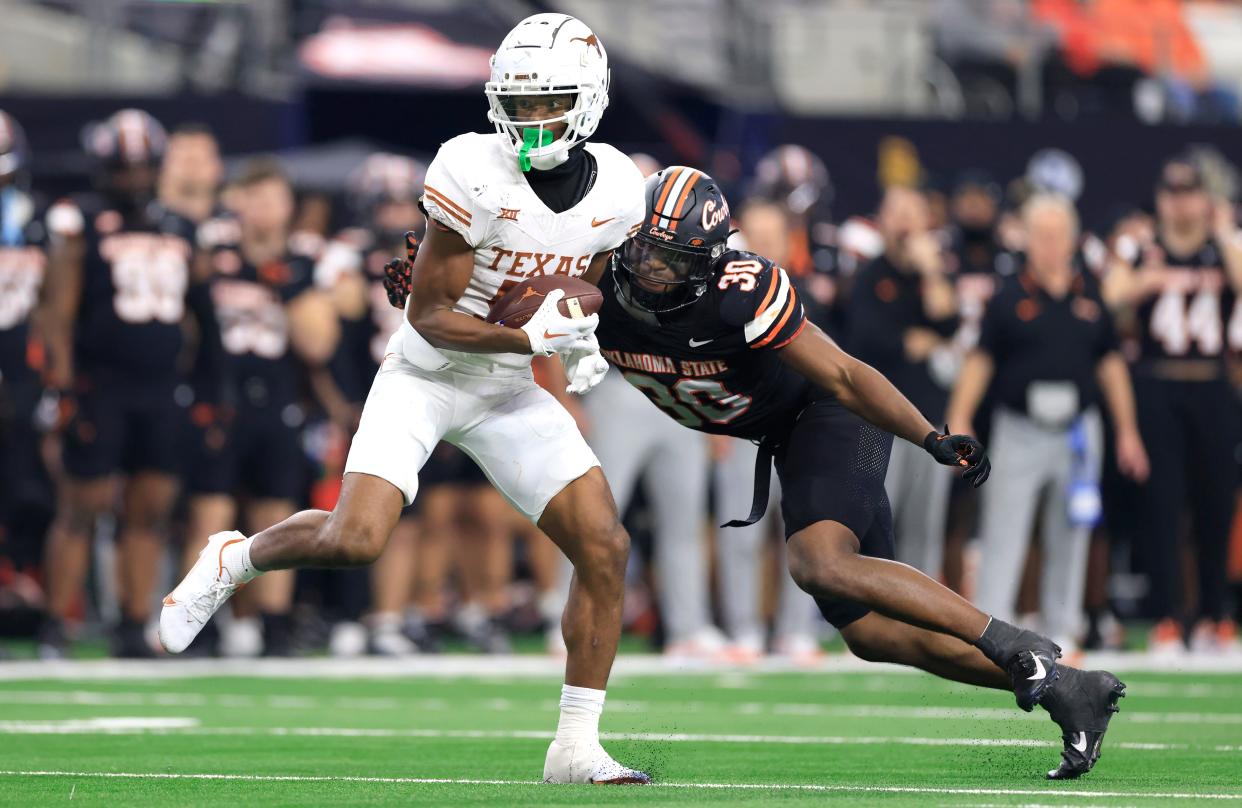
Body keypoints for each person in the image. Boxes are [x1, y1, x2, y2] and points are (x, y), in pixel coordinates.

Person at [387, 166, 1130, 780]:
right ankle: (1066, 687)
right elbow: (500, 295)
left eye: (672, 258)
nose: (650, 268)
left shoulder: (743, 289)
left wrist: (930, 436)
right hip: (773, 433)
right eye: (645, 249)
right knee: (870, 634)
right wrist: (433, 287)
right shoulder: (600, 275)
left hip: (825, 418)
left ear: (710, 259)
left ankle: (1015, 644)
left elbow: (841, 373)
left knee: (818, 562)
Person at [161, 13, 650, 785]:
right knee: (356, 538)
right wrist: (536, 339)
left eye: (544, 102)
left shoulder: (621, 188)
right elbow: (429, 316)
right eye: (514, 103)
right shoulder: (469, 165)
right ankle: (235, 558)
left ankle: (575, 746)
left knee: (604, 545)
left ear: (588, 100)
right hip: (428, 376)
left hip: (508, 393)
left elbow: (587, 280)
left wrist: (583, 331)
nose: (526, 119)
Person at [946, 194, 1150, 653]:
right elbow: (981, 360)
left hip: (1077, 432)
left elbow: (1111, 364)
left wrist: (1128, 430)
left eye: (1057, 235)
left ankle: (1062, 630)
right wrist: (959, 418)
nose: (1049, 245)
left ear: (1073, 240)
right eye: (1041, 235)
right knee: (1003, 532)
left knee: (1072, 533)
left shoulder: (1089, 292)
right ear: (1028, 240)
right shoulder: (1009, 295)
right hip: (1019, 428)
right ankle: (991, 634)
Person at [39, 109, 199, 658]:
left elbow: (197, 319)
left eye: (140, 167)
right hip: (99, 384)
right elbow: (56, 312)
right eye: (122, 168)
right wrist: (61, 387)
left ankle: (133, 623)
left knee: (148, 511)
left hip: (158, 387)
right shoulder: (79, 219)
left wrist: (199, 385)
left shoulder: (179, 226)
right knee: (81, 507)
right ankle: (56, 625)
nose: (132, 178)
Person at [183, 159, 341, 656]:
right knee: (210, 514)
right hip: (219, 402)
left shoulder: (302, 264)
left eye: (273, 199)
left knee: (276, 515)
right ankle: (199, 621)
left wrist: (284, 283)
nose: (264, 210)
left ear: (289, 206)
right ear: (237, 202)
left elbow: (319, 343)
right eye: (255, 198)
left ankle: (275, 625)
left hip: (278, 402)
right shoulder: (213, 253)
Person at [1103, 155, 1242, 654]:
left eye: (1191, 192)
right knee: (1162, 503)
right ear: (1161, 197)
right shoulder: (1142, 247)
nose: (1182, 203)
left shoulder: (1222, 248)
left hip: (1211, 384)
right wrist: (1146, 281)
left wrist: (1224, 234)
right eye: (1174, 192)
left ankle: (1214, 614)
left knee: (1216, 502)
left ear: (1205, 198)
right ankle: (1167, 615)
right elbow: (1110, 299)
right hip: (1157, 384)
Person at [848, 186, 959, 579]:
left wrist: (930, 269)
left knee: (925, 524)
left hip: (928, 419)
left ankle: (920, 616)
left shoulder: (934, 274)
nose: (905, 220)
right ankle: (872, 611)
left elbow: (949, 322)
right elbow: (864, 340)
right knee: (875, 519)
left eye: (913, 211)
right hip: (878, 421)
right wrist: (910, 341)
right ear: (881, 219)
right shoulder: (870, 275)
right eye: (897, 211)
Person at [0, 110, 52, 584]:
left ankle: (25, 584)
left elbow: (55, 302)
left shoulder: (37, 217)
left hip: (24, 373)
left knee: (32, 490)